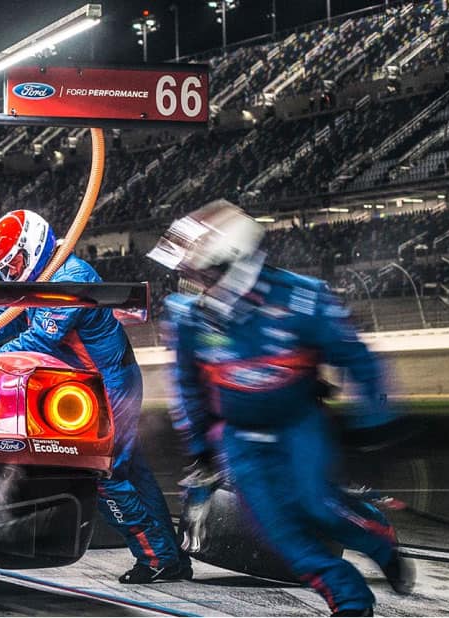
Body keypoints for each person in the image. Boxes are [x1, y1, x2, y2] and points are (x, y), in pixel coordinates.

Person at [149, 200, 413, 616]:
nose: (194, 283)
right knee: (280, 533)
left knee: (315, 506)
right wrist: (199, 443)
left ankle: (378, 538)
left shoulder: (301, 298)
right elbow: (186, 385)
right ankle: (350, 601)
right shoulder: (191, 318)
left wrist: (379, 418)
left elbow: (357, 358)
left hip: (299, 425)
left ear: (233, 264)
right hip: (238, 438)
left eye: (202, 274)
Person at [0, 209, 190, 583]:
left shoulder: (69, 279)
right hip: (105, 380)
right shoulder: (46, 276)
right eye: (6, 270)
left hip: (111, 383)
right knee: (133, 473)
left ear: (34, 245)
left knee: (104, 474)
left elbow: (38, 340)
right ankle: (168, 555)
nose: (12, 274)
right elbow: (5, 319)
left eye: (16, 264)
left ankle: (155, 557)